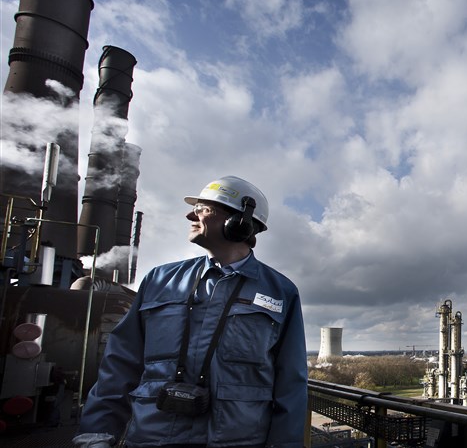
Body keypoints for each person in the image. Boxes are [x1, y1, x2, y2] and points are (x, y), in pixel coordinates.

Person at [74, 176, 308, 448]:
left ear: (240, 222)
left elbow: (291, 383)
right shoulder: (160, 280)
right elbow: (121, 364)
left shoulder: (280, 292)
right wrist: (97, 433)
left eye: (203, 209)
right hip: (154, 439)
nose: (190, 215)